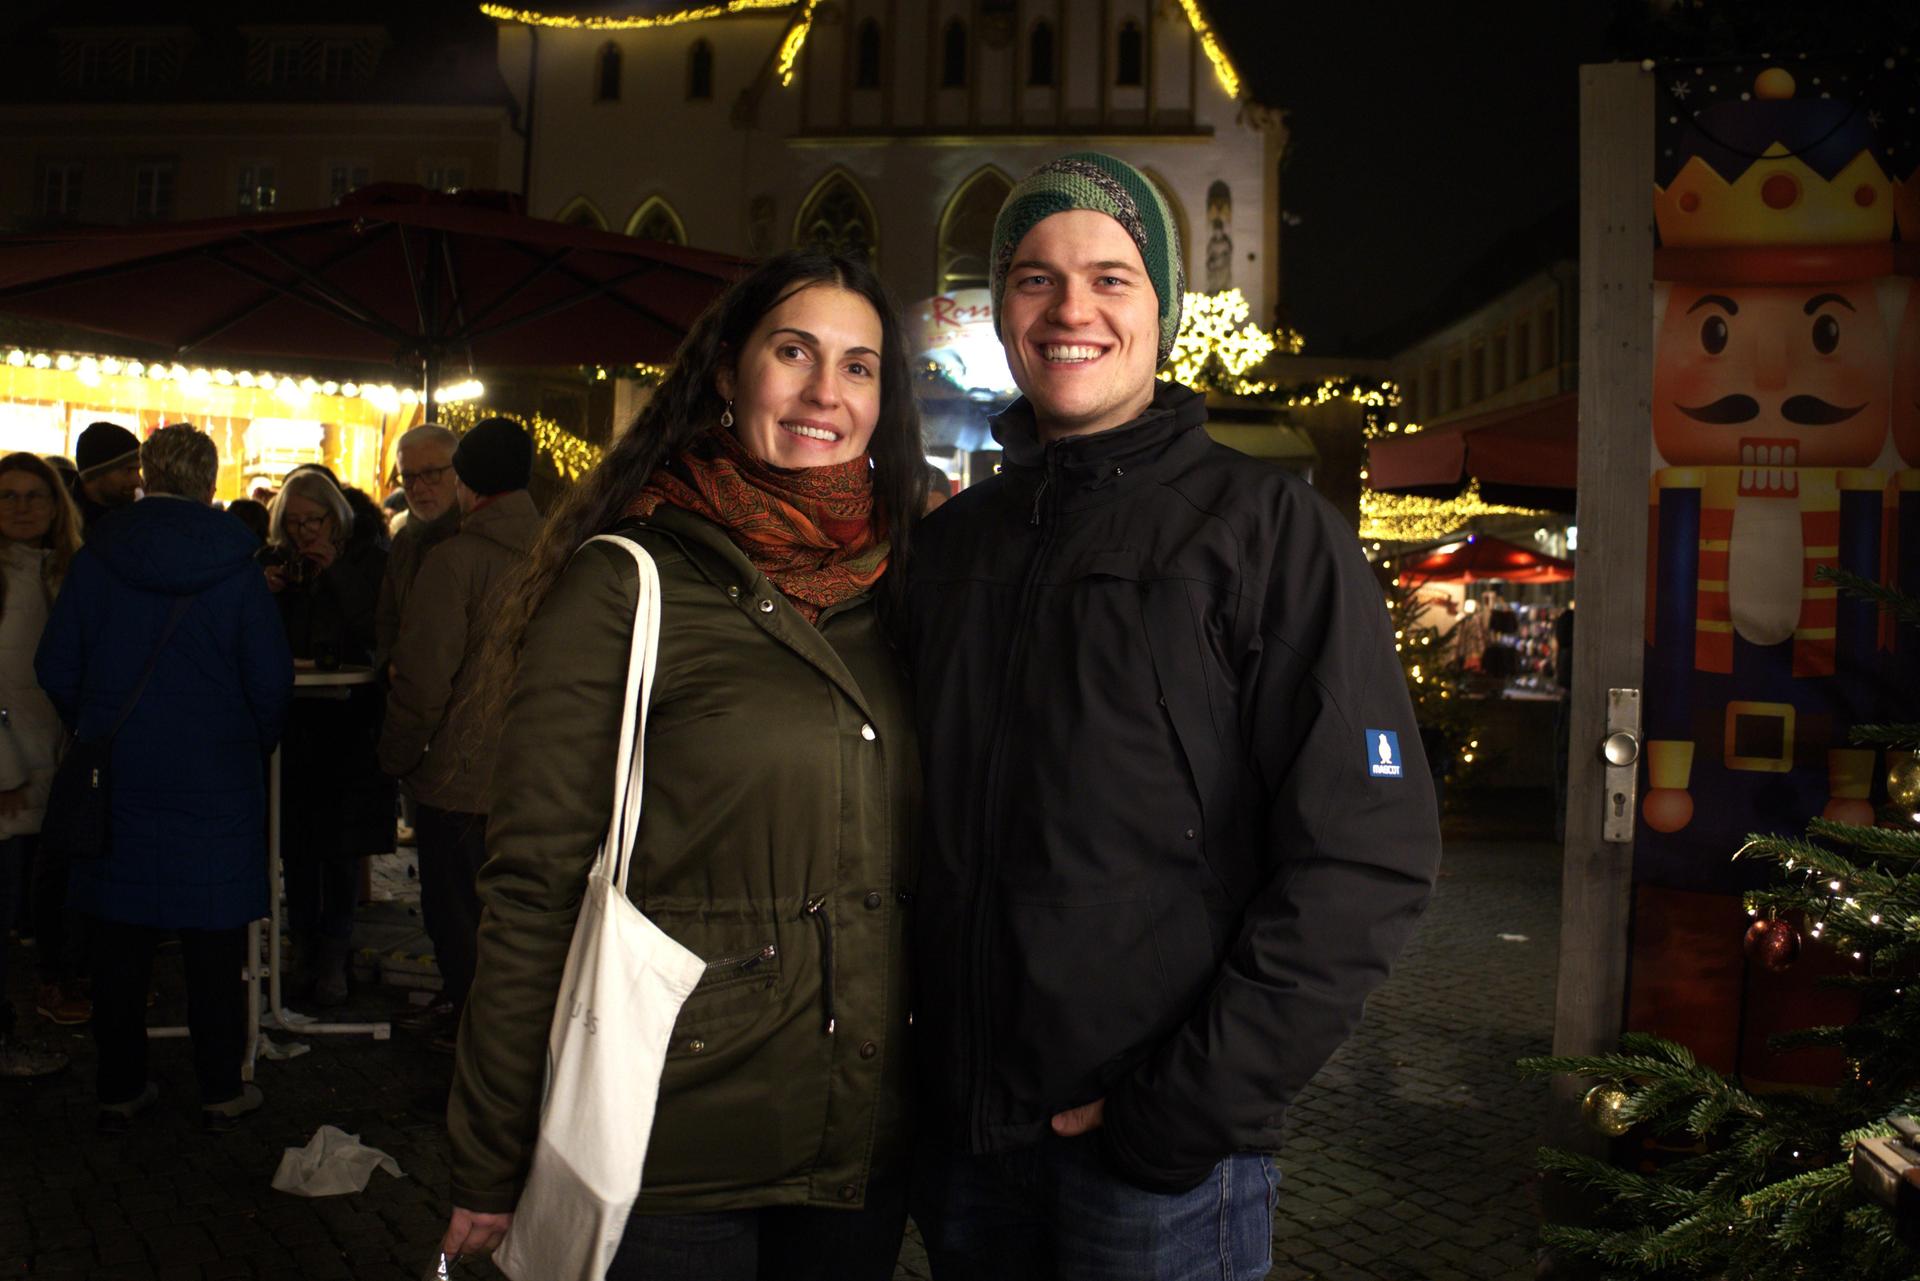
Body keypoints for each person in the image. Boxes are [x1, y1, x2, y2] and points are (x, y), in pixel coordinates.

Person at [904, 154, 1443, 1279]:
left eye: (1112, 276)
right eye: (1035, 279)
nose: (1071, 311)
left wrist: (1182, 1110)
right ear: (1002, 309)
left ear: (1165, 307)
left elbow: (1368, 852)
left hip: (1149, 1160)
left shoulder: (1264, 532)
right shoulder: (954, 546)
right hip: (963, 1145)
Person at [439, 248, 927, 1280]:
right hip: (674, 1145)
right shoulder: (629, 582)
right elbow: (532, 885)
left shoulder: (904, 588)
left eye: (859, 365)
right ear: (725, 370)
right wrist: (488, 1154)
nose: (823, 394)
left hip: (858, 1147)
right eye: (793, 352)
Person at [36, 425, 292, 1129]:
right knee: (214, 943)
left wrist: (94, 726)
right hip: (217, 778)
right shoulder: (238, 566)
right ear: (211, 480)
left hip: (117, 775)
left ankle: (120, 1082)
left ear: (147, 473)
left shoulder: (98, 558)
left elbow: (55, 666)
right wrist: (245, 742)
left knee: (120, 940)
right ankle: (220, 1085)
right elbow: (269, 683)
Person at [377, 418, 542, 1051]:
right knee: (511, 920)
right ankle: (500, 1038)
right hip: (534, 774)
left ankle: (474, 1045)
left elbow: (421, 681)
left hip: (459, 776)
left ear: (465, 481)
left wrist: (395, 756)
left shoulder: (457, 560)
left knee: (458, 916)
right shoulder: (565, 551)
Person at [265, 469, 392, 1007]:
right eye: (292, 524)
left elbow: (374, 626)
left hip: (347, 721)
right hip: (296, 719)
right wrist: (269, 590)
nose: (302, 533)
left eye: (311, 521)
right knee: (298, 846)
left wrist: (335, 570)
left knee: (341, 848)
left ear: (333, 517)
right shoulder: (278, 561)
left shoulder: (365, 557)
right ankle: (302, 947)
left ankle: (334, 954)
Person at [0, 453, 83, 1076]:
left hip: (59, 761)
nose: (22, 506)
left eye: (35, 495)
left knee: (45, 897)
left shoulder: (68, 572)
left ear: (56, 504)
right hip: (8, 772)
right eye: (9, 496)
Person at [375, 424, 462, 665]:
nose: (417, 487)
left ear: (459, 472)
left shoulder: (475, 539)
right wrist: (388, 665)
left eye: (432, 473)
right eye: (408, 476)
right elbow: (387, 620)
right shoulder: (404, 541)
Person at [72, 422, 143, 529]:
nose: (137, 480)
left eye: (138, 470)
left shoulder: (136, 519)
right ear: (95, 473)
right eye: (128, 470)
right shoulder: (59, 520)